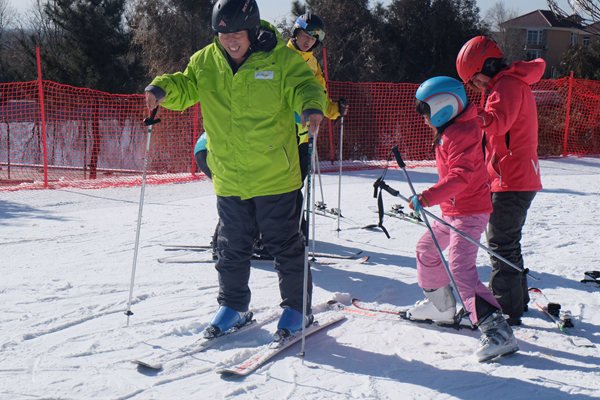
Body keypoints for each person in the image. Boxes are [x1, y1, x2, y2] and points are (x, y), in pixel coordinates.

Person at [145, 0, 326, 339]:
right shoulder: (205, 61)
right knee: (231, 246)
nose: (231, 39)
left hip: (275, 172)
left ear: (253, 29)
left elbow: (306, 85)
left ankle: (297, 308)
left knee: (285, 244)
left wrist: (312, 105)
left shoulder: (280, 59)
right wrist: (163, 88)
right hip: (230, 175)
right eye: (224, 32)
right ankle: (234, 305)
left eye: (238, 32)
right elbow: (185, 87)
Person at [405, 76, 519, 362]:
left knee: (459, 267)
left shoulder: (463, 132)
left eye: (426, 113)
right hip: (452, 211)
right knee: (426, 249)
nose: (425, 120)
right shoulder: (454, 128)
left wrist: (428, 196)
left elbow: (462, 176)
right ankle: (441, 306)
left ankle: (498, 330)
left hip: (469, 211)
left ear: (443, 107)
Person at [456, 36, 544, 326]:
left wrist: (469, 113)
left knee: (500, 244)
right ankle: (517, 301)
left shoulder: (506, 85)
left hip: (514, 179)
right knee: (507, 243)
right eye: (471, 83)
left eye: (475, 78)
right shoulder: (505, 84)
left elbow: (497, 121)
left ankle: (505, 309)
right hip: (513, 176)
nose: (476, 85)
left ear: (488, 64)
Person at [287, 13, 348, 236]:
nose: (308, 41)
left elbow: (319, 95)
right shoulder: (282, 57)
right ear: (296, 33)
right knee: (282, 190)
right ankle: (273, 234)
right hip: (283, 134)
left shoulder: (313, 62)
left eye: (314, 38)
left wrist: (334, 110)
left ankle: (293, 233)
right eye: (305, 35)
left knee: (295, 188)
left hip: (305, 137)